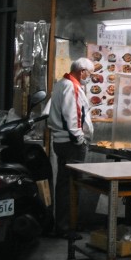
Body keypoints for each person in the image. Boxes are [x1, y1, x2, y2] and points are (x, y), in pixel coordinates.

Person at [47, 57, 94, 236]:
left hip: (61, 142)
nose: (90, 77)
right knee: (71, 185)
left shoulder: (61, 84)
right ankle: (66, 227)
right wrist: (79, 139)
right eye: (89, 74)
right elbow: (72, 116)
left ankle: (66, 223)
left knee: (65, 183)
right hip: (70, 143)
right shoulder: (71, 86)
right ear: (82, 71)